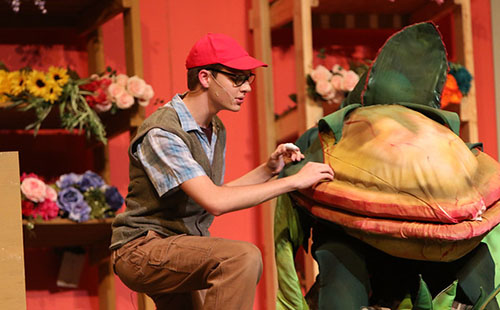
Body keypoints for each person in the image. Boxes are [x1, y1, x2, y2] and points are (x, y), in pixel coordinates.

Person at [110, 32, 334, 310]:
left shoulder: (215, 128)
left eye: (247, 78)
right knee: (240, 258)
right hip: (142, 250)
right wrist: (295, 182)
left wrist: (269, 169)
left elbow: (214, 192)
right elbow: (215, 202)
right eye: (236, 78)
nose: (247, 88)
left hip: (180, 246)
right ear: (205, 78)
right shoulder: (163, 133)